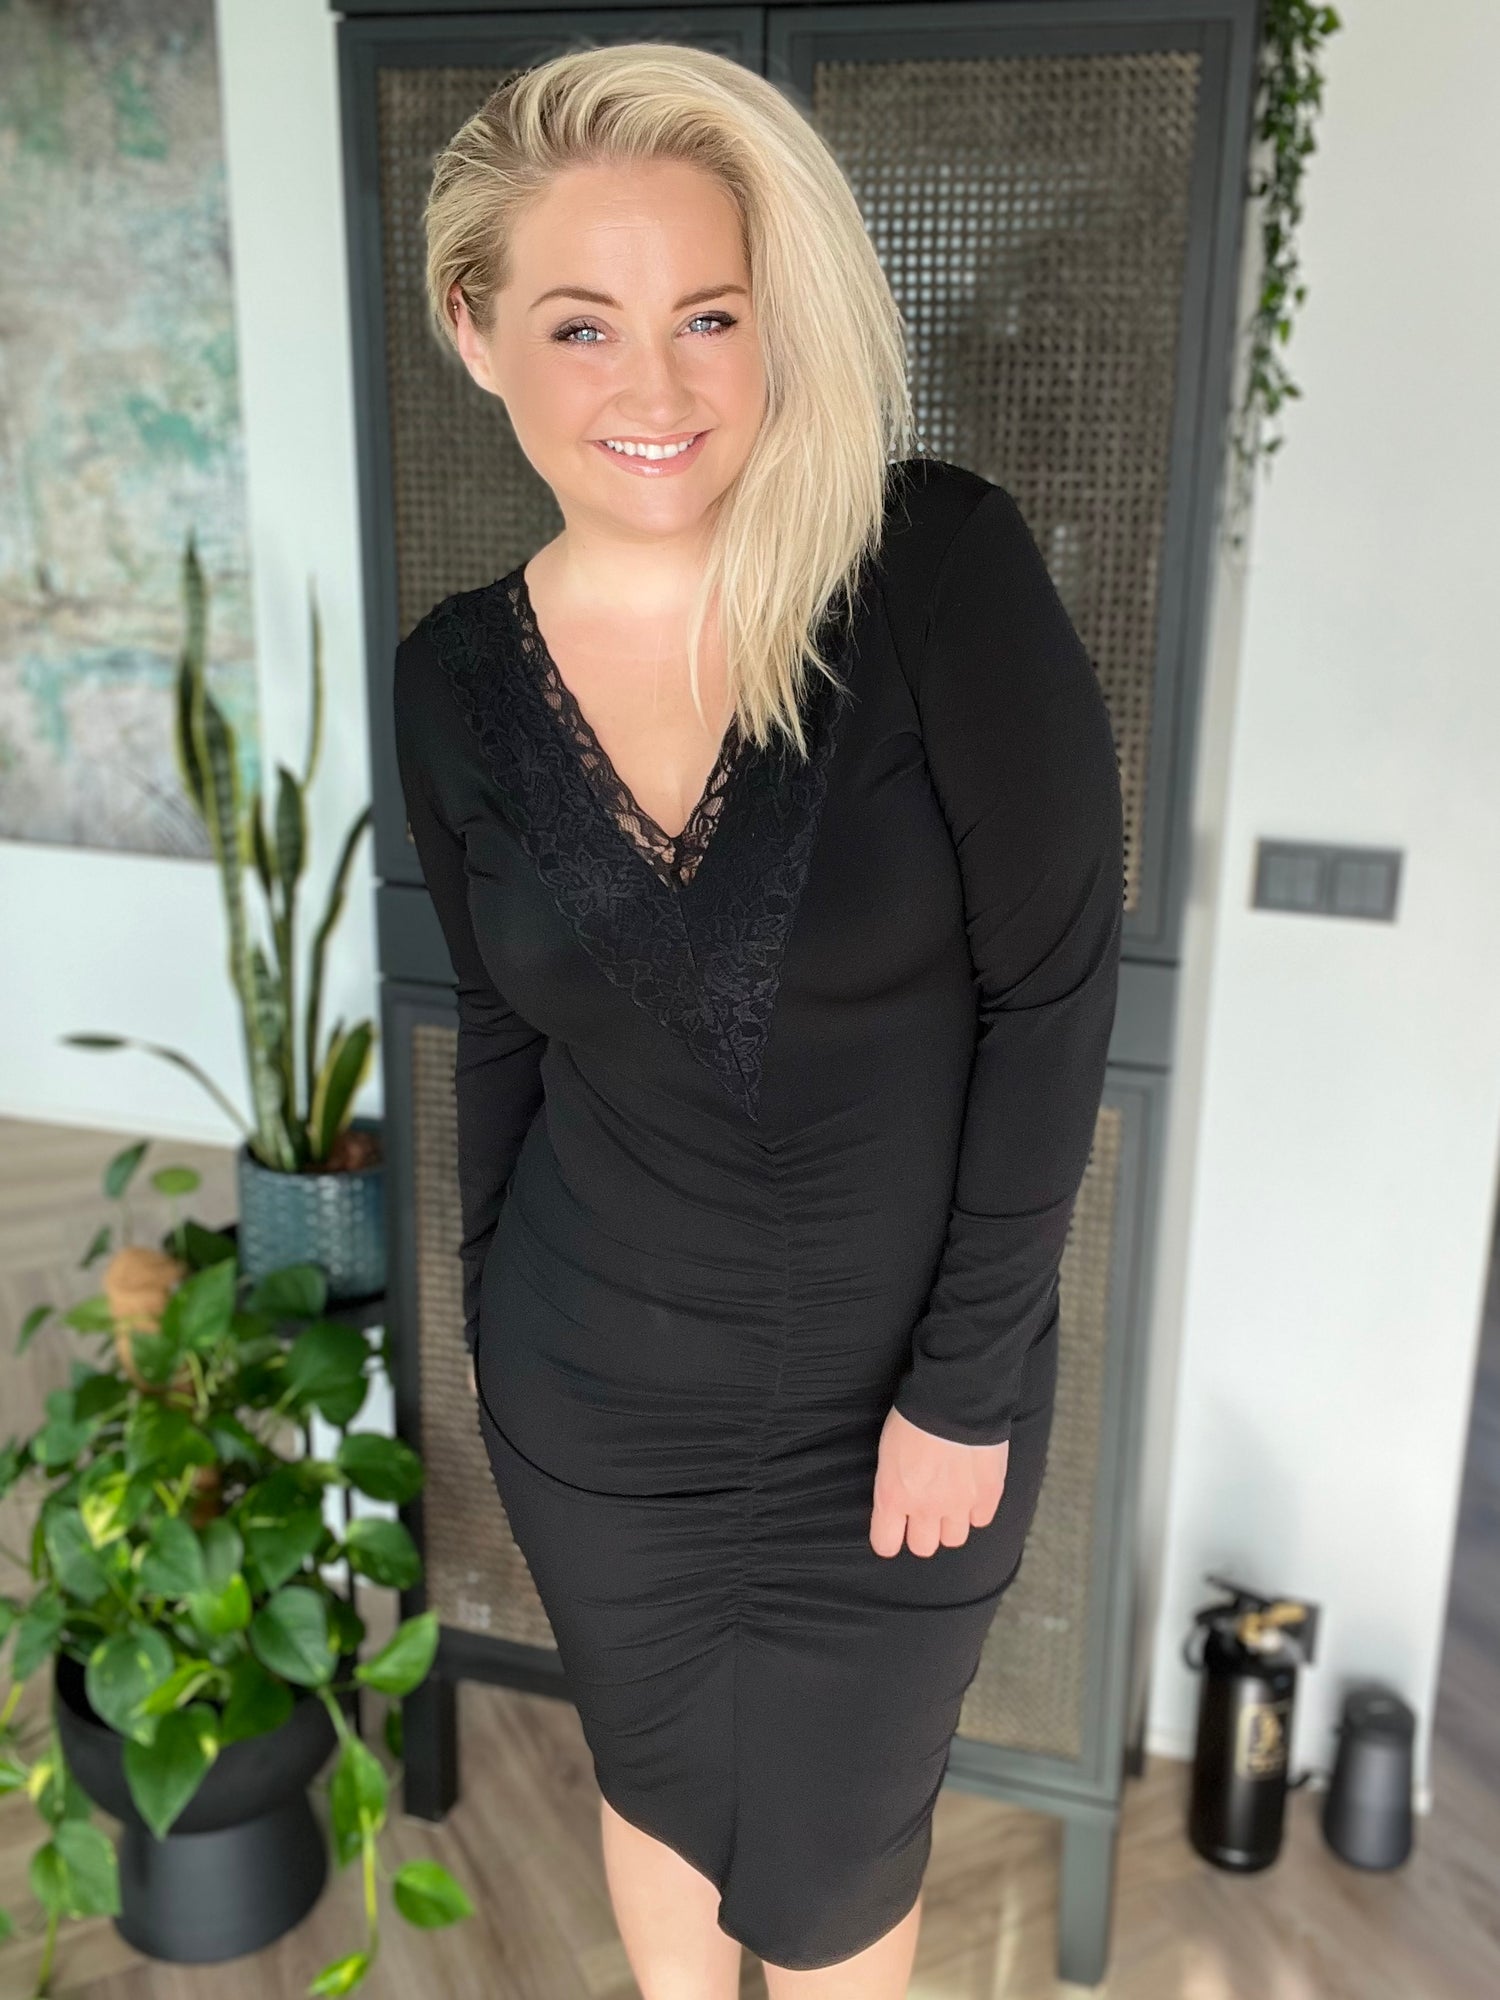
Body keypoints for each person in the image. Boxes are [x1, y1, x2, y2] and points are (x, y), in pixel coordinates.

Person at [393, 41, 1123, 1999]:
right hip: (591, 1409)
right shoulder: (453, 679)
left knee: (833, 1872)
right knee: (655, 1787)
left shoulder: (933, 570)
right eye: (583, 323)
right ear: (477, 333)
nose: (657, 390)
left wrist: (967, 1386)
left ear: (777, 317)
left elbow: (1052, 999)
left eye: (709, 314)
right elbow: (502, 1034)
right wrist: (496, 1335)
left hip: (891, 1427)